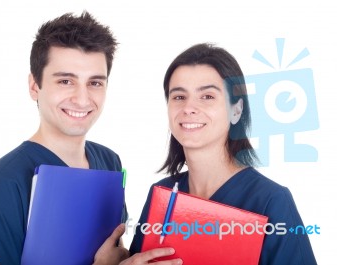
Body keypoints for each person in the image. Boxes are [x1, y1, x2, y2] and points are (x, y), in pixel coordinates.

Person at [0, 11, 130, 265]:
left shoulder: (109, 162)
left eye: (95, 83)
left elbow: (116, 251)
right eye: (65, 81)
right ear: (34, 87)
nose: (82, 99)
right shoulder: (6, 181)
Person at [129, 43, 317, 264]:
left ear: (236, 110)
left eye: (207, 96)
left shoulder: (271, 201)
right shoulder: (162, 193)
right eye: (179, 97)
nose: (189, 107)